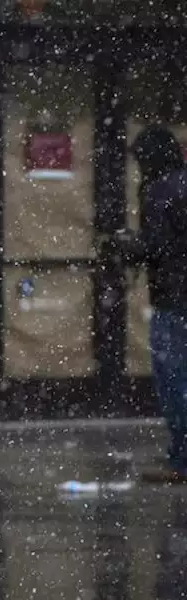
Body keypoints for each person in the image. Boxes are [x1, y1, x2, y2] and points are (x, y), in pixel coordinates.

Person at [117, 125, 187, 482]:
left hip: (174, 301)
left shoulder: (161, 190)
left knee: (174, 382)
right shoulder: (182, 184)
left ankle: (182, 460)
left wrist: (128, 246)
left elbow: (157, 246)